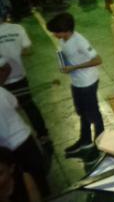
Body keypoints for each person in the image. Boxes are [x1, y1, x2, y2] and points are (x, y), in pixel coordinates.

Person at [46, 13, 105, 157]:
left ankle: (102, 142)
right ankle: (85, 140)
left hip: (88, 82)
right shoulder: (63, 40)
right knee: (82, 112)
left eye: (57, 32)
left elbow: (98, 60)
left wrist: (74, 67)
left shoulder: (80, 41)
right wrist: (65, 66)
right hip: (76, 82)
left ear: (66, 30)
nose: (54, 34)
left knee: (93, 113)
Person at [0, 12, 48, 144]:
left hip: (1, 82)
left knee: (6, 111)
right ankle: (43, 134)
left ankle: (11, 140)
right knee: (29, 106)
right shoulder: (17, 28)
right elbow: (28, 50)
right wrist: (13, 52)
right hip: (19, 76)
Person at [0, 84, 48, 196]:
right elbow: (16, 105)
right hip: (24, 138)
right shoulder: (1, 90)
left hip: (6, 149)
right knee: (39, 175)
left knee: (18, 182)